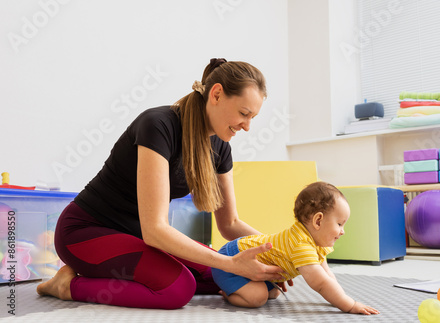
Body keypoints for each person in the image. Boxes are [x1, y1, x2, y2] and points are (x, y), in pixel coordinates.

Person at [37, 58, 287, 309]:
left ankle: (113, 273)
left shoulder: (221, 147)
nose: (247, 126)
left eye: (252, 117)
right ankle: (66, 286)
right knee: (178, 288)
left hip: (139, 239)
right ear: (217, 94)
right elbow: (155, 230)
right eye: (244, 114)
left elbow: (230, 223)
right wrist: (231, 263)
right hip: (86, 232)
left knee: (256, 282)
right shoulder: (158, 125)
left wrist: (283, 252)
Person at [211, 181, 380, 315]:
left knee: (274, 294)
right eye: (340, 224)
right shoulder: (301, 244)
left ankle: (237, 289)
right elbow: (320, 283)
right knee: (257, 298)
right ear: (318, 221)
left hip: (246, 259)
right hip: (230, 261)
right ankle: (227, 293)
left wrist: (338, 296)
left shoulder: (315, 243)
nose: (343, 231)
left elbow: (328, 277)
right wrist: (349, 305)